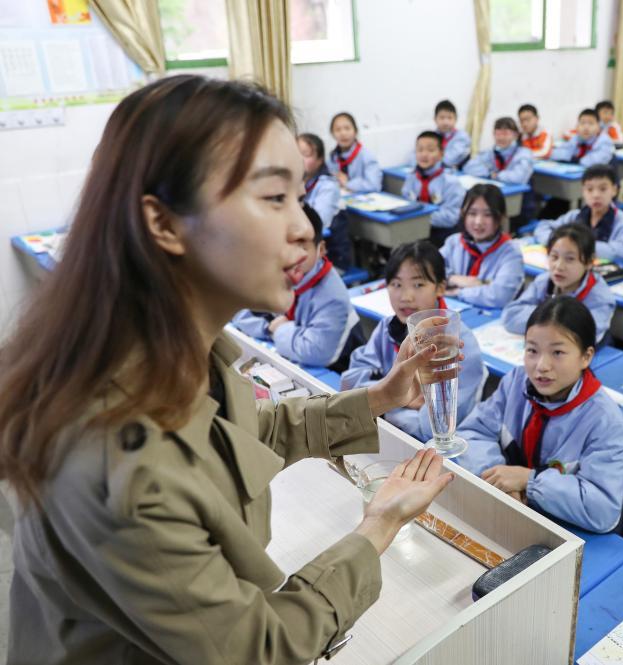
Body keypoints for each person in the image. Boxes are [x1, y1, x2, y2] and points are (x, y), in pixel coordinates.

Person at [0, 75, 456, 665]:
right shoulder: (119, 461)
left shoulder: (180, 350)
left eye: (299, 195)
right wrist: (377, 528)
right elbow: (257, 650)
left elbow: (244, 432)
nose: (302, 227)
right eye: (273, 198)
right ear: (164, 223)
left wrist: (377, 397)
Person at [458, 297, 623, 533]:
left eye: (557, 352)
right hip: (512, 509)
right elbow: (472, 432)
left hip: (567, 528)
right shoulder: (516, 382)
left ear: (586, 357)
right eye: (532, 350)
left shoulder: (606, 421)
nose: (541, 365)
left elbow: (603, 510)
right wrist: (501, 480)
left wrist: (529, 481)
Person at [342, 241, 486, 442]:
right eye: (396, 284)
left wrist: (385, 403)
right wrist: (399, 395)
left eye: (418, 284)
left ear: (440, 288)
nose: (405, 297)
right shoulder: (388, 327)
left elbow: (435, 427)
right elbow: (350, 384)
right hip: (385, 434)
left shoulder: (459, 342)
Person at [232, 203, 359, 368]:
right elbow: (237, 309)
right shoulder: (273, 270)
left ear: (321, 249)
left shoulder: (333, 296)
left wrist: (280, 330)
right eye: (284, 246)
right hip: (285, 356)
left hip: (331, 372)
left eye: (302, 247)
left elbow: (314, 352)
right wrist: (269, 328)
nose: (291, 256)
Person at [503, 223, 616, 343]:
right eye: (554, 257)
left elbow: (580, 338)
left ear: (589, 262)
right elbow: (511, 316)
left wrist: (539, 319)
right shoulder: (544, 281)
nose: (559, 266)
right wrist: (551, 318)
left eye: (570, 259)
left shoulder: (600, 298)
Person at [441, 184, 525, 308]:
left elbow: (500, 296)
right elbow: (430, 270)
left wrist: (459, 292)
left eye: (487, 215)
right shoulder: (454, 242)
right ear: (463, 214)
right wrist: (454, 278)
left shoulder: (511, 253)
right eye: (472, 213)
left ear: (500, 218)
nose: (478, 222)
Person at [534, 164, 623, 263]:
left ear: (614, 190)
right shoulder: (574, 216)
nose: (596, 195)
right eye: (590, 189)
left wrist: (577, 245)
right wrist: (557, 243)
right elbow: (543, 226)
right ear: (583, 191)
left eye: (603, 189)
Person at [400, 130, 466, 246]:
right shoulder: (411, 178)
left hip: (443, 236)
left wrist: (419, 218)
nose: (424, 154)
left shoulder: (451, 183)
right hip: (416, 233)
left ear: (441, 154)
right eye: (420, 150)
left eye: (430, 150)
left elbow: (450, 217)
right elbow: (406, 205)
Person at [463, 117, 534, 184]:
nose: (501, 138)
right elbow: (468, 167)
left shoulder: (524, 153)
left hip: (517, 194)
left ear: (515, 135)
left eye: (505, 133)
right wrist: (489, 173)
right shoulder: (491, 152)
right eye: (497, 133)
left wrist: (497, 175)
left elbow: (518, 177)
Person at [326, 111, 383, 193]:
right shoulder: (332, 157)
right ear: (332, 134)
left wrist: (348, 183)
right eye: (338, 130)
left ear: (355, 131)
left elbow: (374, 185)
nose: (343, 133)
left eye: (347, 128)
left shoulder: (367, 156)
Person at [297, 132, 341, 231]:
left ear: (320, 160)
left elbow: (318, 223)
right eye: (296, 153)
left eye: (305, 154)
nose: (299, 159)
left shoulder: (328, 186)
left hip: (327, 243)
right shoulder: (294, 182)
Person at [550, 109, 615, 166]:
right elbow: (556, 154)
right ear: (577, 126)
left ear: (598, 127)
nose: (586, 127)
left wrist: (574, 159)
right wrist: (570, 157)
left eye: (591, 123)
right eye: (582, 123)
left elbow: (595, 161)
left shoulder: (604, 141)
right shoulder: (576, 138)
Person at [433, 98, 471, 168]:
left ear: (455, 119)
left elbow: (449, 160)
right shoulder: (432, 136)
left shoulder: (462, 137)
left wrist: (428, 160)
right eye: (442, 118)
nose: (446, 122)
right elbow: (414, 158)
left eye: (450, 118)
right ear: (435, 119)